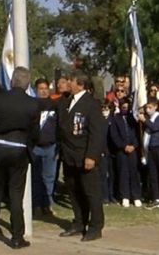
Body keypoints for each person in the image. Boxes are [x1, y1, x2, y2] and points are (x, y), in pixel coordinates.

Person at [0, 67, 39, 249]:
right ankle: (16, 237)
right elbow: (35, 132)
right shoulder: (32, 104)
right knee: (16, 195)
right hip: (19, 149)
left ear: (12, 81)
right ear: (27, 83)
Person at [57, 73, 106, 242]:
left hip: (84, 155)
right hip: (69, 155)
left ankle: (96, 226)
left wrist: (91, 155)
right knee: (74, 191)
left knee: (91, 193)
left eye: (71, 80)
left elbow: (97, 132)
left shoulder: (91, 104)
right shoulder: (68, 101)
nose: (68, 83)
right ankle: (79, 222)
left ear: (80, 84)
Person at [31, 78, 58, 217]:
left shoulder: (54, 105)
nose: (43, 91)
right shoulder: (31, 105)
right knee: (36, 177)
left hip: (51, 147)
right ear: (36, 90)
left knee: (49, 177)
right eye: (40, 88)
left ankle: (47, 204)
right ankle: (36, 205)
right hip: (35, 147)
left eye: (45, 88)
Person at [108, 97, 142, 208]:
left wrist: (134, 145)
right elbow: (114, 135)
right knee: (123, 173)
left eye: (127, 107)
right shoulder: (115, 119)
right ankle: (125, 196)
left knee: (134, 173)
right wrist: (123, 146)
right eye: (123, 106)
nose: (125, 108)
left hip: (133, 150)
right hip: (121, 151)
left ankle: (136, 196)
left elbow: (138, 134)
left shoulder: (133, 119)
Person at [138, 99, 159, 208]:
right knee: (153, 174)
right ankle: (155, 197)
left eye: (150, 107)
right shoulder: (149, 118)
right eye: (147, 108)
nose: (148, 110)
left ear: (155, 107)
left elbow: (155, 127)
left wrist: (144, 121)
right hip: (150, 148)